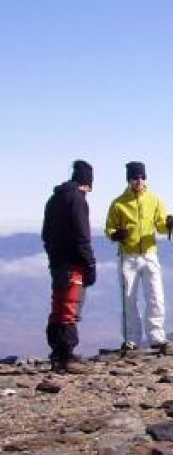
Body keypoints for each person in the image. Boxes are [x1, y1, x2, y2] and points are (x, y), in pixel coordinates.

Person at [104, 161, 173, 351]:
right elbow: (109, 228)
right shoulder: (118, 204)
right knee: (129, 299)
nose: (139, 181)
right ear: (128, 180)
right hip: (127, 256)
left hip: (150, 254)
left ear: (146, 178)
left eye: (142, 177)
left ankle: (157, 337)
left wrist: (169, 224)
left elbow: (160, 225)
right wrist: (115, 234)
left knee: (156, 297)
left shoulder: (154, 200)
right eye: (135, 177)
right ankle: (131, 339)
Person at [42, 160, 97, 373]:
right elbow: (82, 237)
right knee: (70, 307)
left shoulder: (54, 199)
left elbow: (46, 234)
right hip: (73, 263)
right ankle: (66, 357)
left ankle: (57, 352)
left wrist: (53, 255)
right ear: (87, 182)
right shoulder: (77, 201)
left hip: (56, 262)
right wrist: (90, 263)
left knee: (59, 306)